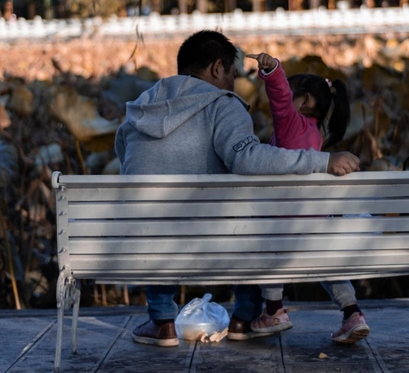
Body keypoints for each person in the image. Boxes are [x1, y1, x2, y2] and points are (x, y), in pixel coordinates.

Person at [114, 30, 360, 347]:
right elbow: (247, 158)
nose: (233, 82)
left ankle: (162, 322)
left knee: (160, 223)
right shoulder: (223, 104)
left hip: (142, 238)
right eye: (232, 73)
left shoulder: (142, 105)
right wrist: (321, 161)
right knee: (254, 224)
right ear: (217, 68)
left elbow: (123, 153)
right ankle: (243, 318)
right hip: (215, 241)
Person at [246, 51, 371, 345]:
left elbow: (279, 99)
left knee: (266, 242)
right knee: (328, 263)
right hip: (315, 224)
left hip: (285, 225)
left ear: (304, 101)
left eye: (292, 93)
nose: (284, 101)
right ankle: (352, 313)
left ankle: (274, 310)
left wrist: (273, 71)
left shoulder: (291, 125)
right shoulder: (315, 134)